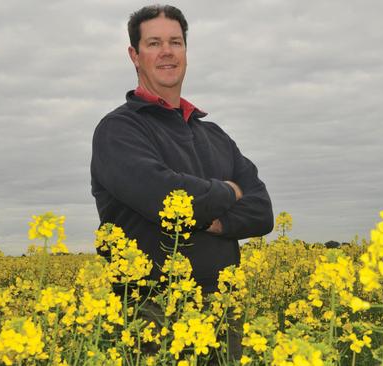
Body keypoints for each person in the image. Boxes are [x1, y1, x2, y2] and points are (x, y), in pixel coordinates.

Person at [90, 4, 273, 359]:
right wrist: (230, 192)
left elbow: (263, 212)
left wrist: (213, 219)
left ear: (186, 51)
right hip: (150, 315)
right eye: (154, 43)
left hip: (221, 313)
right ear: (135, 55)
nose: (167, 52)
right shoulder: (119, 130)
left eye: (175, 42)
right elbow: (166, 199)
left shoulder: (215, 135)